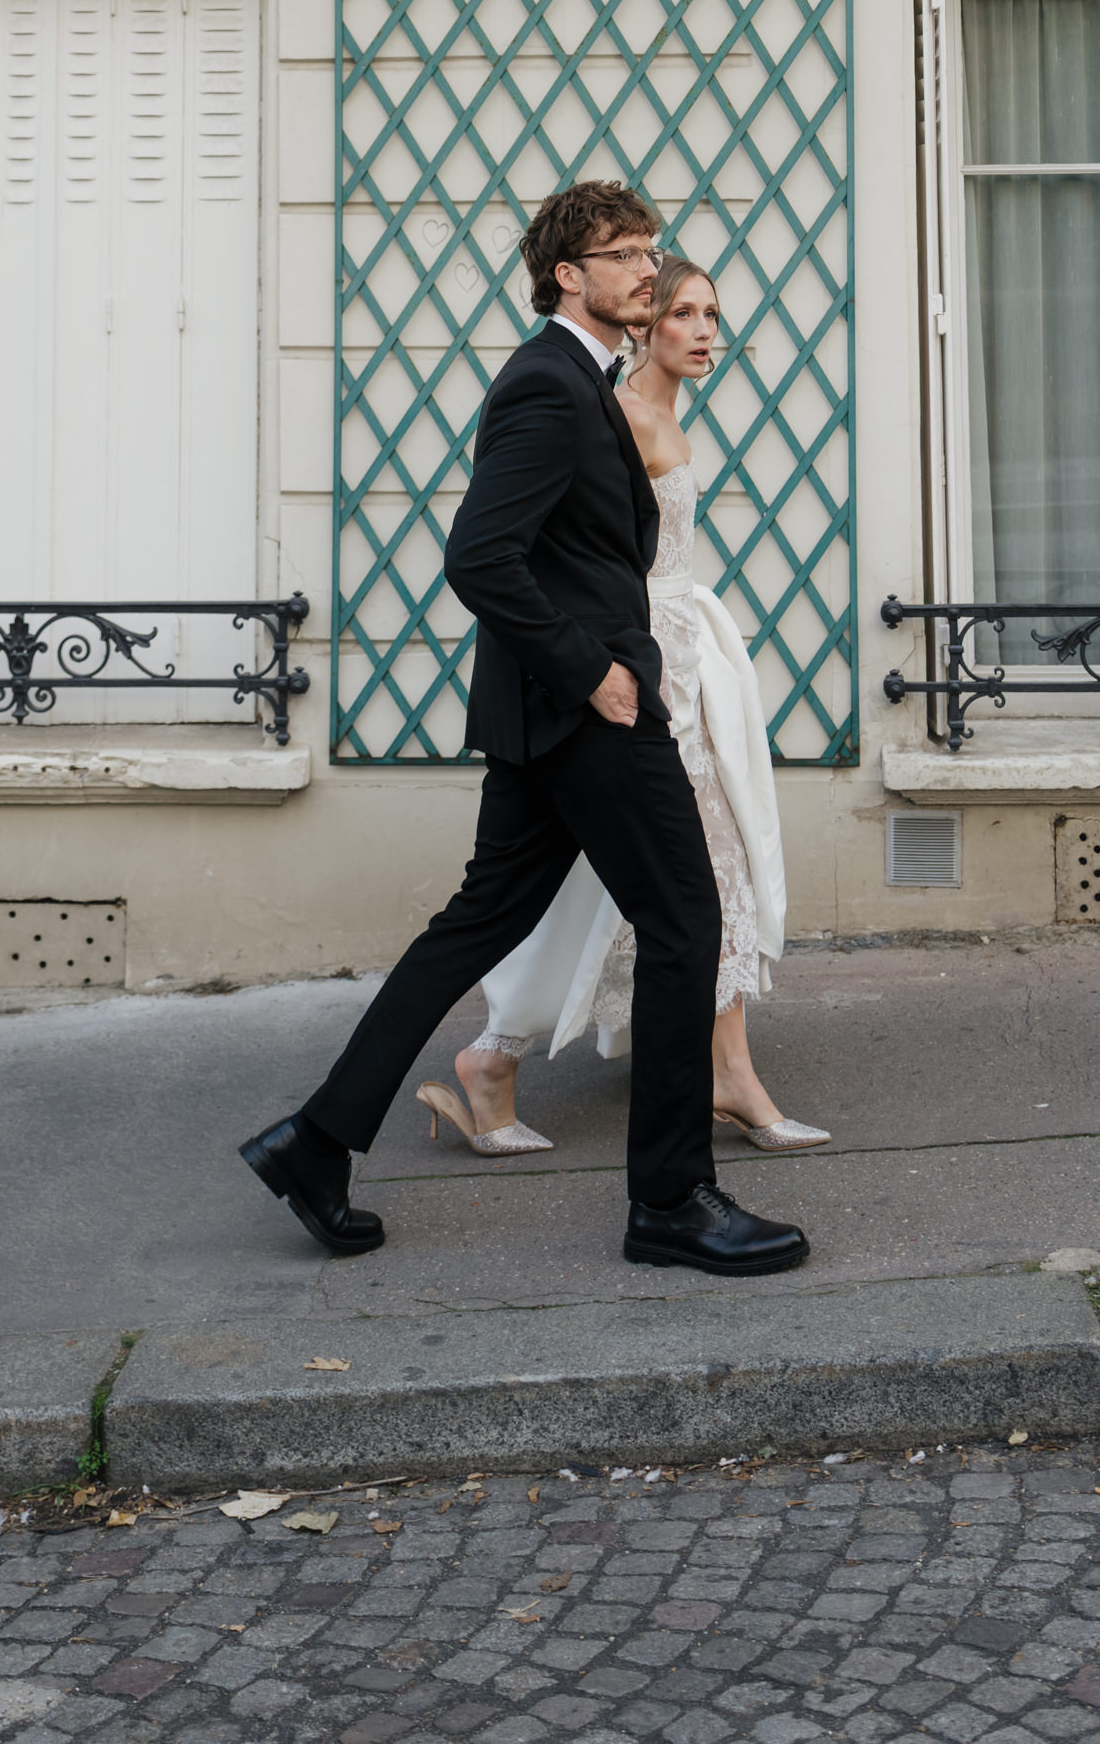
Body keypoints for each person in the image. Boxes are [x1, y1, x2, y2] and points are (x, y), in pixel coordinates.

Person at [238, 178, 809, 1281]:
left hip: (544, 717)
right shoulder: (549, 384)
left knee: (477, 920)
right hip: (584, 710)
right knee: (685, 919)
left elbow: (564, 550)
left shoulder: (578, 377)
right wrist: (593, 671)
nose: (648, 267)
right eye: (626, 252)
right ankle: (670, 1202)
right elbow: (478, 557)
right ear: (567, 274)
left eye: (650, 249)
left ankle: (314, 1141)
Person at [419, 256, 827, 1157]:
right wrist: (605, 668)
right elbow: (556, 557)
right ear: (644, 324)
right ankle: (514, 1061)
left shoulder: (661, 413)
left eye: (712, 313)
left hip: (686, 658)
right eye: (683, 312)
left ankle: (512, 1061)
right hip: (638, 666)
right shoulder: (618, 416)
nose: (704, 331)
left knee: (687, 870)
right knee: (669, 875)